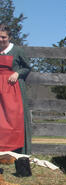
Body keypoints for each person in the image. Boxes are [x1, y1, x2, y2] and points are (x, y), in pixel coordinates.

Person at [0, 24, 32, 154]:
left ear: (9, 37)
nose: (1, 40)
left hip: (13, 90)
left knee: (16, 119)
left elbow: (27, 67)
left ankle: (21, 155)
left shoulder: (17, 51)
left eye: (4, 37)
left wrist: (18, 73)